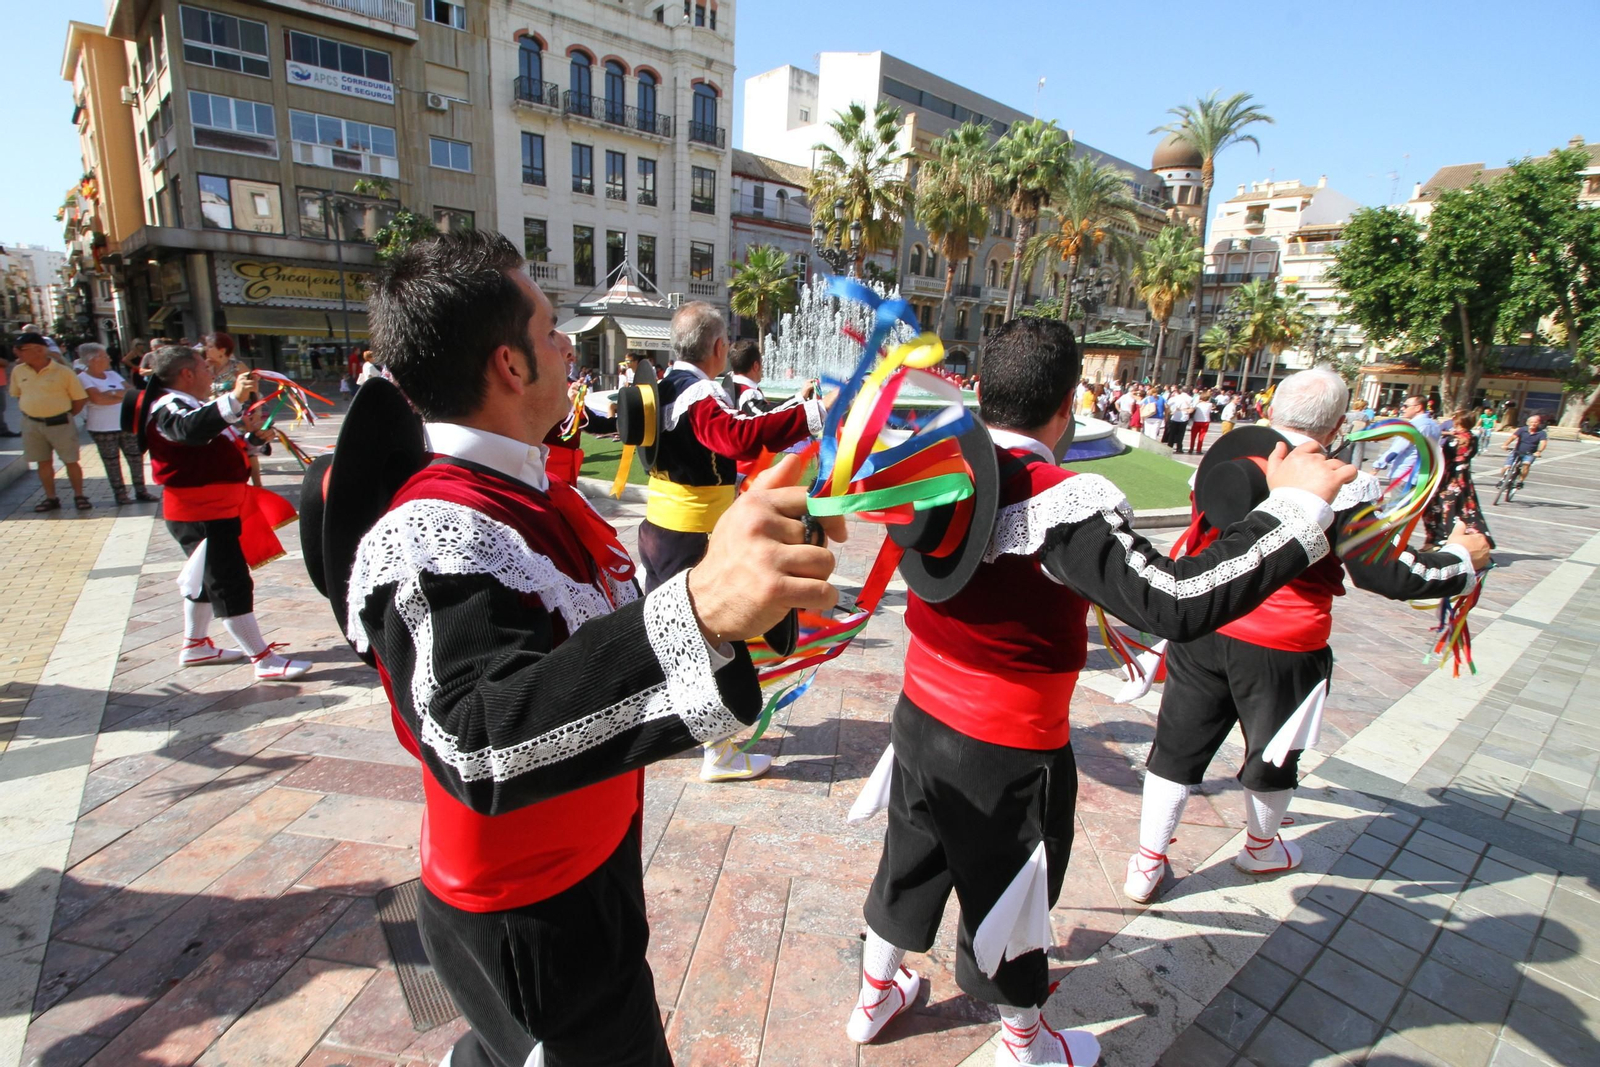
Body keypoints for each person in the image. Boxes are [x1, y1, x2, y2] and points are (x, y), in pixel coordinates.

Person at [348, 229, 843, 1067]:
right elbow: (475, 738)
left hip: (583, 868)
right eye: (549, 330)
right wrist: (699, 606)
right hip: (519, 910)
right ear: (509, 365)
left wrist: (745, 593)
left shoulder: (534, 489)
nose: (568, 344)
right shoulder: (430, 532)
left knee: (501, 1044)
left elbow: (607, 646)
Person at [848, 319, 1362, 1065]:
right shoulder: (1064, 497)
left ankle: (874, 998)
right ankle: (1025, 1045)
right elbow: (1176, 600)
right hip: (1007, 751)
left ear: (983, 390)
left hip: (919, 723)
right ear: (1067, 407)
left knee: (909, 859)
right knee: (1010, 895)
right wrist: (1291, 509)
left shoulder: (936, 467)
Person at [1125, 368, 1492, 907]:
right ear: (1341, 423)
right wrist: (1463, 559)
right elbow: (1385, 572)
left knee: (1176, 747)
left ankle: (1146, 863)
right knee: (1274, 755)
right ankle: (1260, 847)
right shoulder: (1337, 478)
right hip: (1283, 643)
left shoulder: (1227, 455)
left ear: (1273, 408)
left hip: (1205, 624)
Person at [637, 302, 824, 782]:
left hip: (660, 528)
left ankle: (674, 731)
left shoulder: (660, 385)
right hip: (695, 534)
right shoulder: (697, 391)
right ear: (719, 347)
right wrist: (810, 417)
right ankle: (718, 750)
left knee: (670, 634)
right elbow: (736, 438)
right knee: (710, 637)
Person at [139, 344, 310, 679]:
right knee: (229, 582)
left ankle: (196, 644)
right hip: (199, 510)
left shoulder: (191, 405)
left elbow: (214, 446)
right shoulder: (169, 406)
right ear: (186, 373)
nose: (211, 372)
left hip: (215, 506)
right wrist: (232, 399)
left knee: (205, 579)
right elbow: (188, 431)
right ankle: (262, 659)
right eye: (204, 367)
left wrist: (252, 439)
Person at [10, 332, 90, 511]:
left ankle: (79, 495)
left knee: (70, 460)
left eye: (21, 349)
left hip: (60, 422)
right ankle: (51, 498)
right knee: (42, 462)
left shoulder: (63, 372)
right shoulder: (18, 370)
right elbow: (18, 395)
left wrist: (65, 415)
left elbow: (79, 399)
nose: (17, 353)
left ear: (39, 350)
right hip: (32, 424)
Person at [77, 343, 153, 505]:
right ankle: (120, 494)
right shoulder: (83, 378)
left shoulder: (112, 375)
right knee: (111, 462)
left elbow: (132, 392)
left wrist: (111, 393)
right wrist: (118, 394)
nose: (109, 359)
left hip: (125, 423)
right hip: (102, 427)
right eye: (105, 356)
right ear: (93, 359)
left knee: (135, 457)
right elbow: (97, 399)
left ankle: (141, 490)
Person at [1424, 410, 1492, 549]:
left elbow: (1443, 456)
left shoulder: (1454, 440)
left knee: (1443, 506)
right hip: (1463, 476)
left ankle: (1441, 539)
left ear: (1459, 422)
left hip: (1450, 476)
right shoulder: (1472, 437)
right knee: (1463, 506)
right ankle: (1464, 536)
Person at [1372, 394, 1440, 491]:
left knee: (1396, 505)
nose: (1402, 409)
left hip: (1404, 475)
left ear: (1418, 407)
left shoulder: (1412, 426)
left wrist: (1376, 467)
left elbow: (1396, 450)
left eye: (1406, 406)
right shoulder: (1435, 426)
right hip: (1423, 475)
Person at [1502, 413, 1548, 490]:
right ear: (1528, 423)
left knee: (1526, 464)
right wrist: (1505, 444)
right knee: (1506, 467)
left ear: (1539, 423)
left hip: (1530, 453)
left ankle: (1520, 481)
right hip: (1517, 451)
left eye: (1536, 422)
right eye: (1532, 422)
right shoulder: (1522, 429)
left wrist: (1539, 451)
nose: (1533, 424)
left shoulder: (1541, 433)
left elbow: (1543, 443)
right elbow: (1513, 437)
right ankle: (1503, 479)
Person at [1163, 384, 1193, 452]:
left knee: (1172, 433)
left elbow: (1167, 405)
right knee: (1181, 433)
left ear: (1181, 390)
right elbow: (1192, 408)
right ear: (1188, 391)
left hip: (1175, 415)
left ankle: (1170, 445)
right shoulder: (1190, 398)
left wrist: (1169, 412)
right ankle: (1179, 448)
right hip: (1184, 416)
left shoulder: (1175, 397)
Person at [1189, 388, 1213, 453]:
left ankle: (1191, 448)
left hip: (1196, 420)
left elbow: (1193, 405)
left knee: (1193, 436)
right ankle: (1198, 449)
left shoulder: (1197, 404)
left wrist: (1198, 400)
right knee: (1201, 436)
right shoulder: (1209, 405)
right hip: (1205, 421)